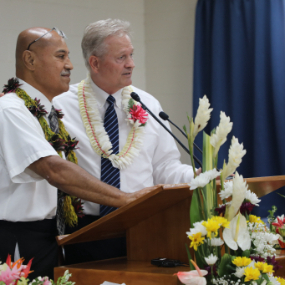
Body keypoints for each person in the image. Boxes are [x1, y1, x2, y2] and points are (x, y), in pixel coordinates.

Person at [0, 27, 152, 280]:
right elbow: (53, 169)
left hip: (48, 236)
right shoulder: (10, 109)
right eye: (60, 56)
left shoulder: (47, 112)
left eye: (68, 56)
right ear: (30, 60)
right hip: (16, 239)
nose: (70, 65)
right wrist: (127, 200)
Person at [52, 19, 197, 265]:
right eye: (121, 57)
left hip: (145, 226)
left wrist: (199, 177)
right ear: (94, 63)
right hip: (88, 232)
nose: (131, 64)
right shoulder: (60, 105)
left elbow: (164, 167)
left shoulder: (148, 104)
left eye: (131, 55)